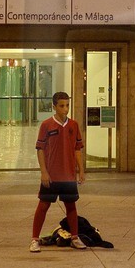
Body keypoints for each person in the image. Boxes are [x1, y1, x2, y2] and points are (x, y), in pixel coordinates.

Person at [31, 91, 87, 252]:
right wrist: (44, 172)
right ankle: (34, 239)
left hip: (68, 175)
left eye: (67, 105)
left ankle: (75, 237)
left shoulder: (73, 125)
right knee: (43, 205)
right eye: (62, 106)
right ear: (54, 106)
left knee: (71, 206)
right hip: (51, 175)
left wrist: (81, 170)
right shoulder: (46, 125)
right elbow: (40, 149)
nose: (65, 109)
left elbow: (77, 150)